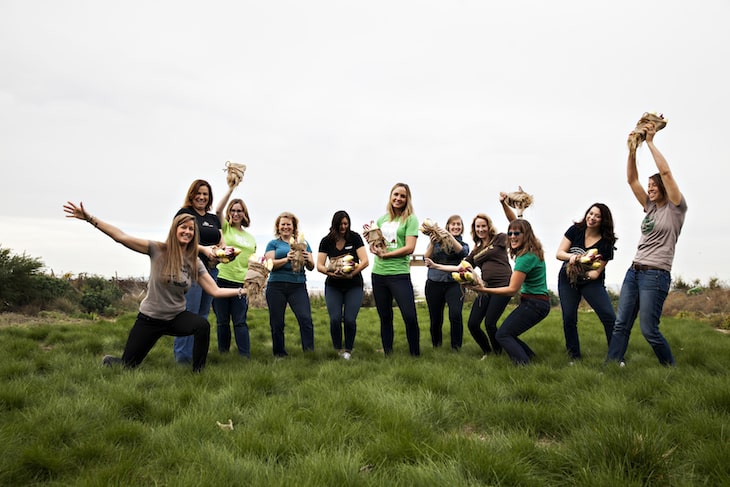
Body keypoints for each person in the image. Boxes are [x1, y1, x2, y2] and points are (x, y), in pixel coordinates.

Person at [63, 201, 245, 372]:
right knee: (128, 365)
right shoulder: (157, 249)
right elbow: (121, 237)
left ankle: (198, 373)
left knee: (202, 325)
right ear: (175, 230)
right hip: (150, 319)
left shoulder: (194, 261)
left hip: (176, 318)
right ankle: (110, 361)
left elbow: (215, 290)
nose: (187, 232)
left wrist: (242, 290)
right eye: (183, 227)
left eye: (191, 229)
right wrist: (90, 218)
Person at [606, 122, 687, 367]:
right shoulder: (650, 207)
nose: (649, 188)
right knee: (621, 325)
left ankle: (669, 368)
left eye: (654, 186)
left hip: (656, 274)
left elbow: (666, 174)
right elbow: (632, 180)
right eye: (649, 186)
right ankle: (612, 366)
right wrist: (632, 148)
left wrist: (650, 142)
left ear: (663, 188)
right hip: (634, 272)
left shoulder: (676, 209)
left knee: (649, 329)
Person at [425, 196, 516, 357]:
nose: (481, 229)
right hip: (485, 288)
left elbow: (515, 225)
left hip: (503, 285)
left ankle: (498, 353)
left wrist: (504, 204)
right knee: (473, 324)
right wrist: (436, 265)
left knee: (489, 323)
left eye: (483, 226)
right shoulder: (476, 250)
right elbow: (460, 267)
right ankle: (488, 353)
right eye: (478, 227)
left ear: (489, 226)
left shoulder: (500, 238)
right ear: (474, 229)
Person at [469, 218, 549, 365]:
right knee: (508, 333)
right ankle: (531, 358)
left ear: (526, 235)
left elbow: (512, 290)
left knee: (503, 334)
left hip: (535, 304)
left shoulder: (525, 258)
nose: (512, 236)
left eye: (517, 233)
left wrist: (483, 289)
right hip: (534, 302)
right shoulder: (530, 252)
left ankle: (523, 365)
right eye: (510, 233)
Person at [556, 203, 618, 361]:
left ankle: (616, 356)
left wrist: (582, 271)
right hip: (568, 279)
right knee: (569, 318)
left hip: (590, 282)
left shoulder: (606, 242)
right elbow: (559, 253)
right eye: (591, 213)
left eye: (597, 216)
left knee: (609, 317)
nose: (592, 218)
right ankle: (573, 357)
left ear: (603, 220)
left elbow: (596, 273)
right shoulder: (575, 230)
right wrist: (572, 257)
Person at [173, 180, 223, 364]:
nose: (202, 197)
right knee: (188, 313)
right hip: (190, 270)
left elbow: (220, 242)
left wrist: (222, 254)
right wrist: (203, 250)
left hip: (211, 270)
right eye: (199, 193)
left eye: (206, 194)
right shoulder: (185, 214)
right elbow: (180, 239)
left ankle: (197, 354)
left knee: (202, 315)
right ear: (192, 194)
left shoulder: (213, 219)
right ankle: (182, 357)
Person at [369, 182, 420, 356]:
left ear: (407, 199)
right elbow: (376, 243)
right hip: (379, 273)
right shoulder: (382, 220)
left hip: (399, 274)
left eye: (402, 196)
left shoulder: (410, 219)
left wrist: (387, 255)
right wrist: (373, 247)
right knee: (385, 316)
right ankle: (388, 352)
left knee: (409, 316)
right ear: (390, 197)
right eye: (395, 195)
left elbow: (409, 248)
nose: (398, 198)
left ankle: (415, 354)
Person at [316, 210, 369, 360]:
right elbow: (320, 265)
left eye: (346, 224)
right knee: (335, 318)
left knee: (350, 319)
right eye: (340, 224)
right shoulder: (326, 241)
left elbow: (365, 261)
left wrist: (352, 273)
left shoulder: (355, 238)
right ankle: (338, 349)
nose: (343, 227)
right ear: (335, 224)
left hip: (354, 284)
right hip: (333, 285)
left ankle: (348, 350)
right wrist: (329, 272)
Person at [212, 184, 257, 357]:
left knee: (240, 321)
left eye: (240, 211)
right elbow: (217, 211)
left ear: (244, 214)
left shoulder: (250, 238)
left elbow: (252, 261)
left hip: (241, 282)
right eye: (233, 210)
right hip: (222, 280)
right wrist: (231, 189)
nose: (236, 214)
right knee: (222, 321)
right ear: (229, 212)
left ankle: (245, 356)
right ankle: (223, 354)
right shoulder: (225, 229)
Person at [265, 212, 315, 357]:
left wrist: (308, 259)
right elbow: (269, 265)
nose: (286, 227)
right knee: (277, 322)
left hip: (297, 285)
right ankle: (279, 353)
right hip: (276, 286)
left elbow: (311, 266)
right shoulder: (273, 244)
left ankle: (309, 353)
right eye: (283, 224)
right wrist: (286, 259)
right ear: (278, 227)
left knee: (305, 318)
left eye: (289, 224)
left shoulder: (303, 243)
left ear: (293, 227)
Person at [422, 215, 469, 350]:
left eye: (458, 224)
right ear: (448, 226)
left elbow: (462, 253)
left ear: (462, 228)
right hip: (434, 283)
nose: (456, 227)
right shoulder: (436, 242)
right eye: (452, 224)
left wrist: (448, 235)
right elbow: (425, 259)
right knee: (435, 318)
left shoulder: (463, 244)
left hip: (454, 284)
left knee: (455, 315)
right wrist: (431, 243)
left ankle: (456, 347)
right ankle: (436, 345)